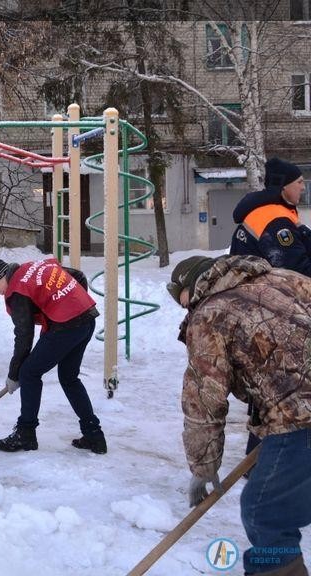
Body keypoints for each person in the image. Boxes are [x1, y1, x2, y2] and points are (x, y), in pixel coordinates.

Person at [167, 254, 311, 575]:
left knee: (265, 512)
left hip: (301, 414)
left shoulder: (209, 315)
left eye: (180, 297)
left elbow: (205, 399)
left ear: (193, 285)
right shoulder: (285, 277)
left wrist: (203, 466)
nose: (182, 307)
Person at [0, 258, 106, 454]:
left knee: (28, 373)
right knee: (69, 378)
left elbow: (24, 336)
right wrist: (71, 302)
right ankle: (94, 435)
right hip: (87, 318)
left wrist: (14, 374)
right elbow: (78, 276)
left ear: (2, 276)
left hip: (67, 326)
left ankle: (25, 434)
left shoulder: (17, 291)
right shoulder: (32, 267)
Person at [230, 157, 308, 457]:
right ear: (284, 186)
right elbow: (294, 268)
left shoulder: (281, 213)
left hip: (266, 308)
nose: (303, 186)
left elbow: (304, 245)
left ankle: (260, 455)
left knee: (271, 381)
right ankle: (262, 458)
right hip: (266, 311)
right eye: (299, 182)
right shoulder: (273, 219)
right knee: (274, 380)